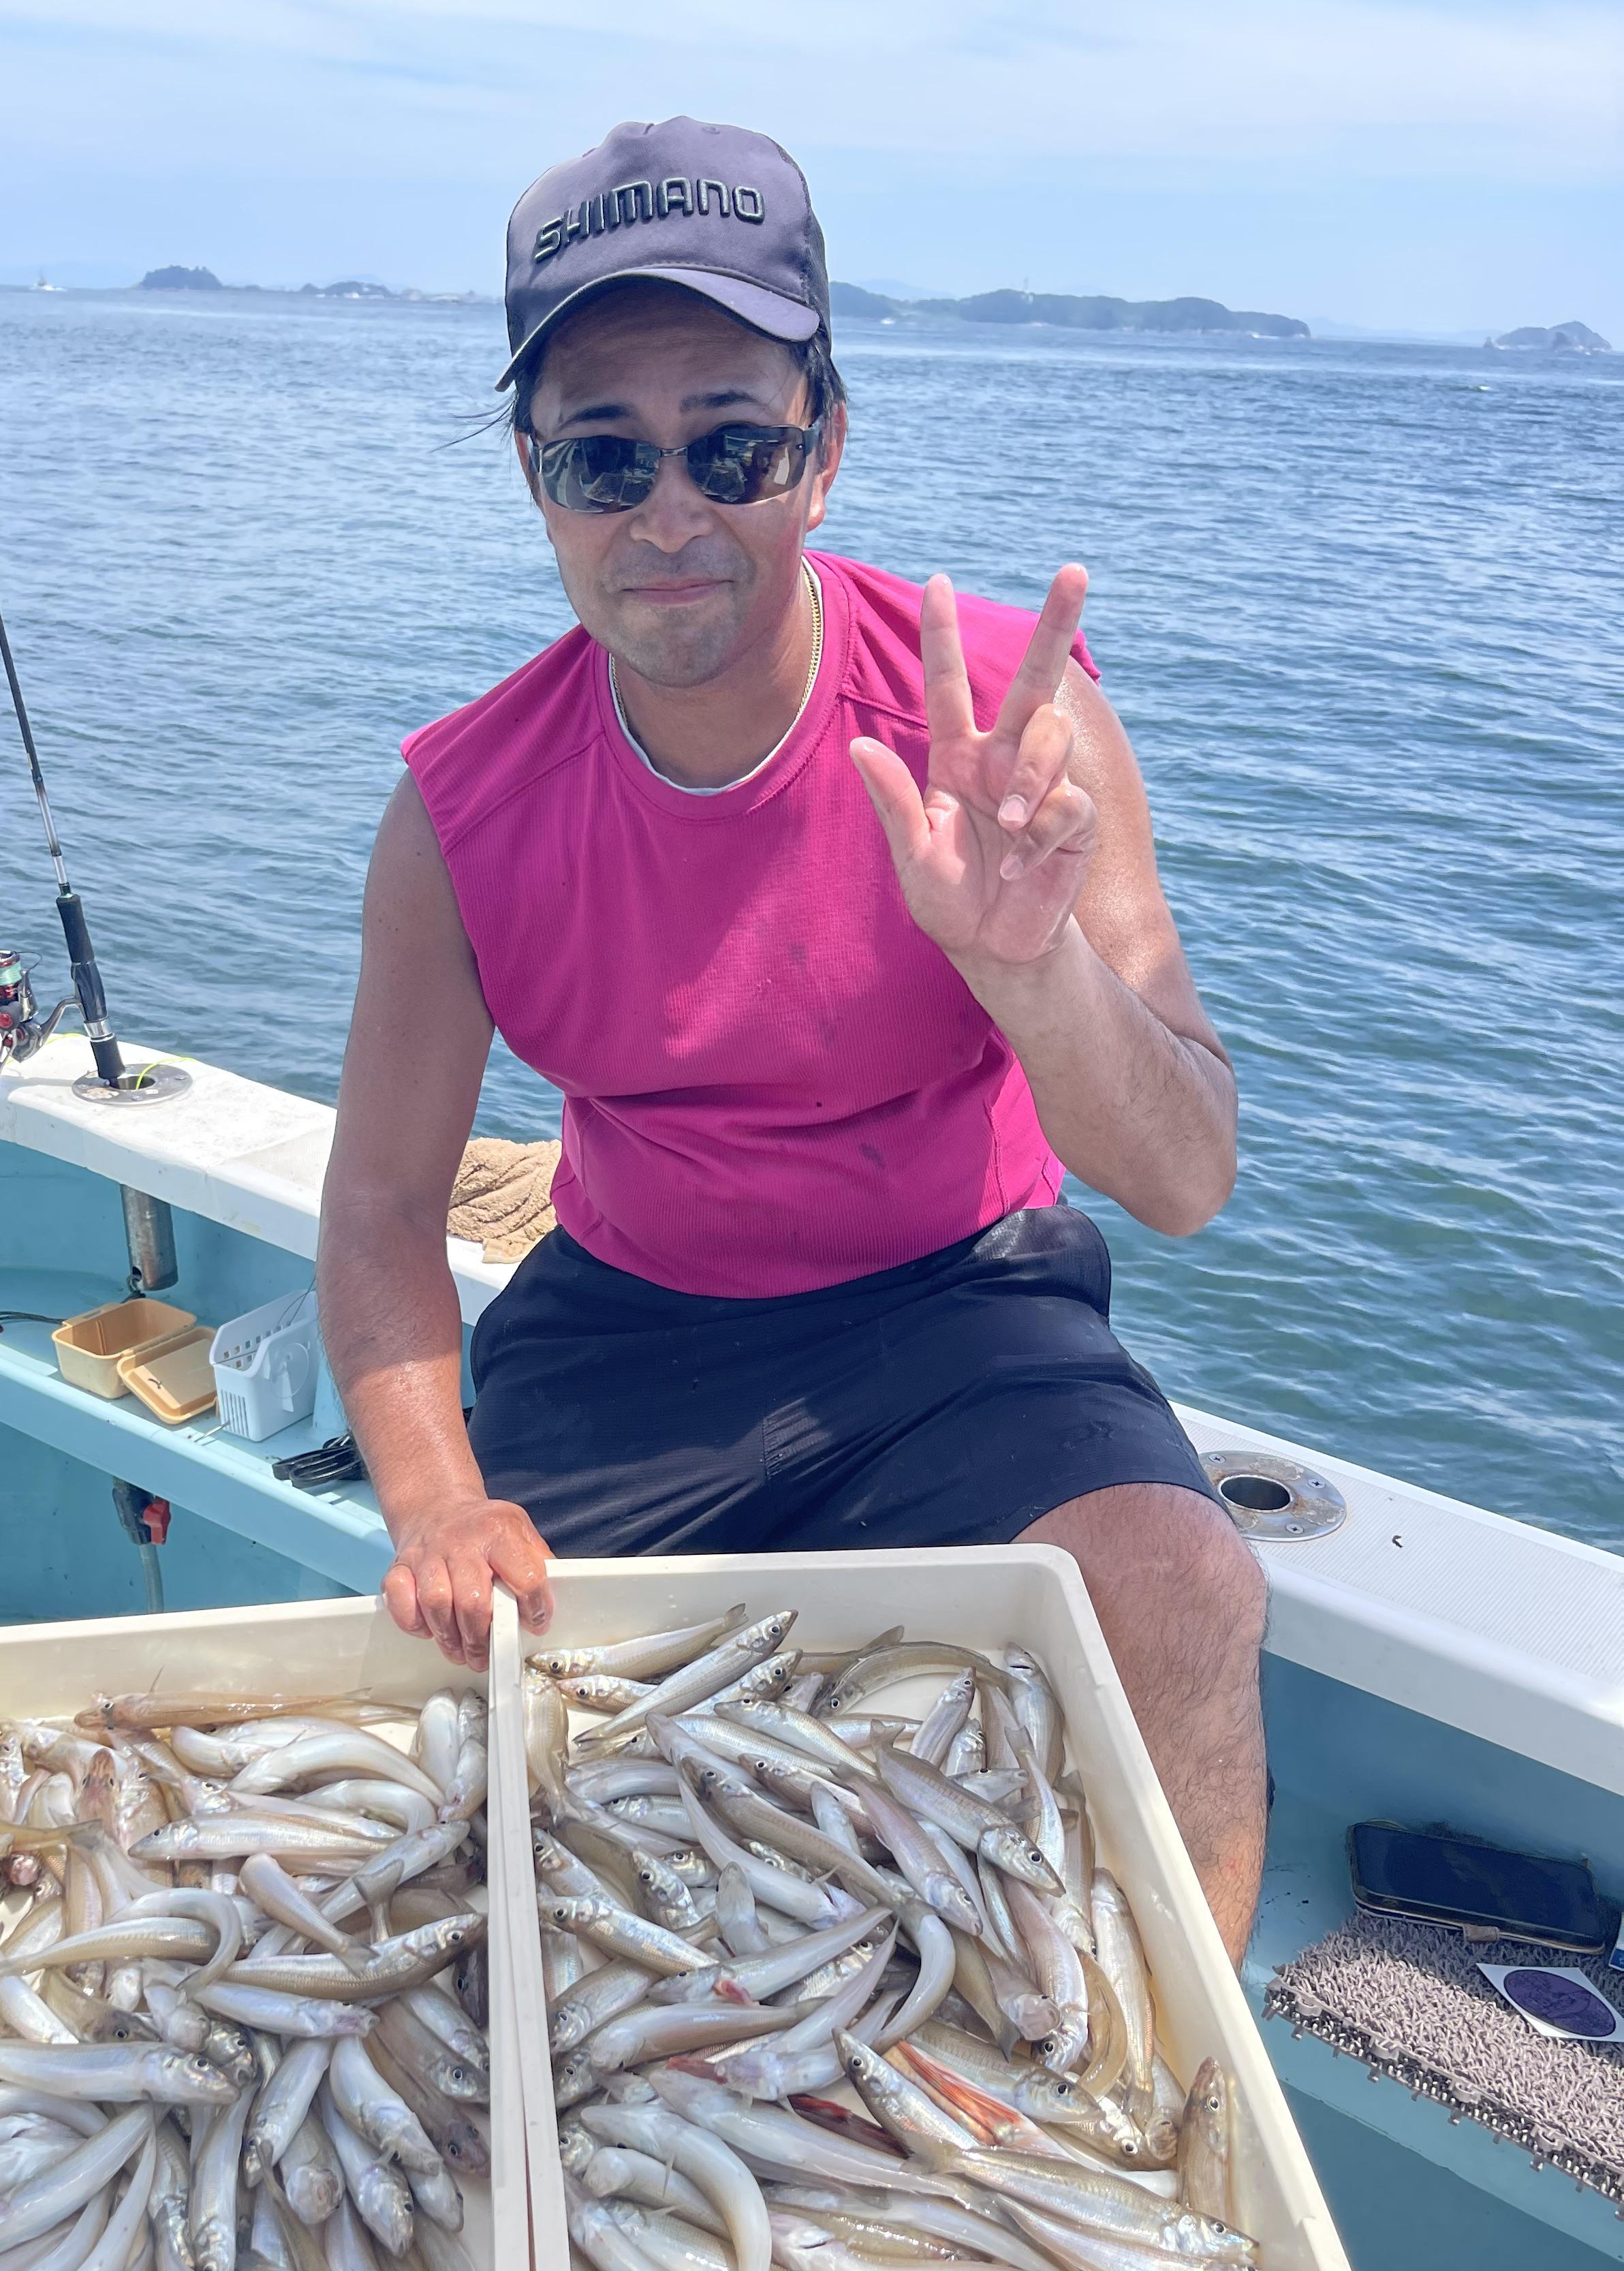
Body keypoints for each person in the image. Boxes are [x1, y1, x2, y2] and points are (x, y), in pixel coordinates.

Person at [320, 116, 1268, 1964]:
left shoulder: (1011, 716)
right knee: (508, 1762)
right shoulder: (459, 811)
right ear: (537, 484)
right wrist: (438, 1502)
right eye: (605, 457)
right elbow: (376, 1215)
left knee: (1181, 1587)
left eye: (730, 444)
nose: (670, 515)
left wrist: (1027, 966)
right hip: (629, 1332)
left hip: (960, 1304)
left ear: (823, 452)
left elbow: (1184, 1176)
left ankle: (1164, 2141)